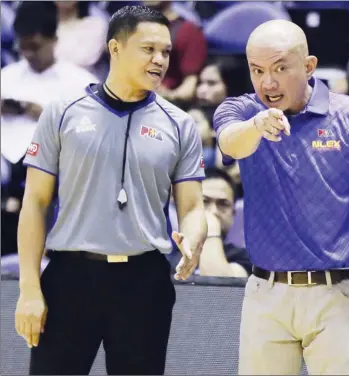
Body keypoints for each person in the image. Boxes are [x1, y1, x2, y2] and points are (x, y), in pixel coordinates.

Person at [15, 5, 207, 375]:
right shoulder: (63, 111)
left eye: (166, 52)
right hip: (70, 278)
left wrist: (195, 236)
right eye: (148, 49)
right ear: (115, 49)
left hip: (144, 282)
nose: (160, 60)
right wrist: (29, 289)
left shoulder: (180, 125)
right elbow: (35, 203)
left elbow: (193, 205)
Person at [213, 19, 349, 375]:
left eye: (280, 68)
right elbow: (228, 141)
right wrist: (256, 126)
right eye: (257, 70)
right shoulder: (240, 111)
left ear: (309, 66)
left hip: (341, 294)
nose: (268, 82)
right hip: (266, 293)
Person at [1, 1, 97, 256]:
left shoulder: (80, 82)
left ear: (53, 39)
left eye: (35, 47)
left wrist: (46, 115)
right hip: (6, 153)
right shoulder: (7, 76)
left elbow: (95, 130)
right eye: (23, 47)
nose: (29, 54)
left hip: (50, 159)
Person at [142, 1, 207, 105]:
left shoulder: (187, 31)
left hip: (168, 107)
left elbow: (189, 87)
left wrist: (168, 95)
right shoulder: (132, 30)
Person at [199, 168, 251, 277]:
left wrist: (210, 228)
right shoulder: (167, 257)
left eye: (223, 204)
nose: (214, 211)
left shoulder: (245, 259)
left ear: (233, 214)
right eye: (204, 201)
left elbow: (217, 288)